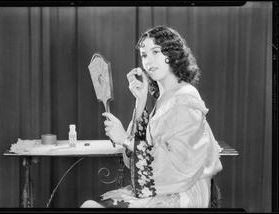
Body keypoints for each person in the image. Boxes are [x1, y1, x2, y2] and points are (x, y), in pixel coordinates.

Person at [80, 25, 223, 208]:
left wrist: (125, 139)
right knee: (90, 205)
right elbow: (135, 160)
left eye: (156, 51)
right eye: (144, 55)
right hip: (164, 186)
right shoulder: (164, 97)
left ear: (173, 54)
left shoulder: (186, 97)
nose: (149, 61)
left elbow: (180, 164)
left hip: (185, 191)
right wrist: (140, 102)